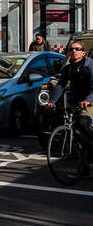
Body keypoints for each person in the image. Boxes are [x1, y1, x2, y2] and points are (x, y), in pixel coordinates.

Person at [44, 40, 93, 176]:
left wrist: (87, 100)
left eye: (77, 49)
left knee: (83, 122)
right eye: (71, 50)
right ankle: (84, 169)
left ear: (83, 52)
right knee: (77, 137)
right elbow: (60, 85)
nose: (74, 51)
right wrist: (52, 101)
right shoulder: (68, 68)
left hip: (89, 102)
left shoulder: (90, 66)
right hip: (74, 102)